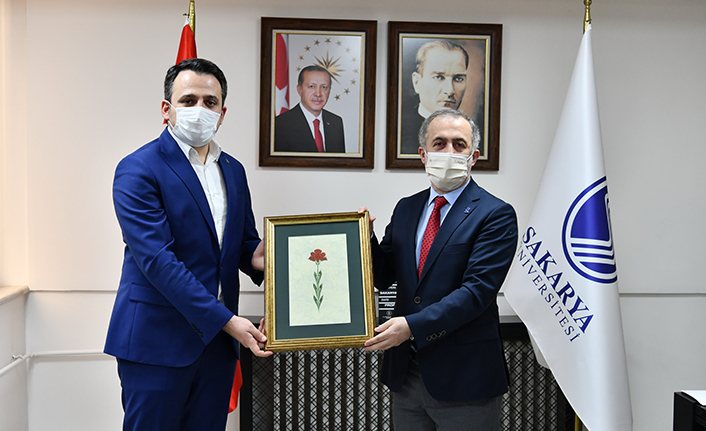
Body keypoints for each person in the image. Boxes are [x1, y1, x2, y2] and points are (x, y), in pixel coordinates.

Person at [104, 58, 272, 431]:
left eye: (210, 102)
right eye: (188, 100)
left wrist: (275, 257)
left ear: (222, 113)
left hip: (217, 347)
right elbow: (158, 262)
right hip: (156, 342)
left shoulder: (233, 170)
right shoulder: (138, 168)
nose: (200, 109)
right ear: (167, 109)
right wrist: (227, 321)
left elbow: (243, 245)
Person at [362, 109, 517, 430]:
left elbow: (476, 293)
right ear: (423, 154)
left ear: (473, 157)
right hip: (407, 373)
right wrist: (365, 240)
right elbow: (384, 275)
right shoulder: (406, 208)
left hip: (465, 377)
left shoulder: (496, 214)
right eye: (439, 143)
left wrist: (411, 326)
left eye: (459, 144)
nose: (449, 152)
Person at [400, 40, 469, 155]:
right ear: (417, 82)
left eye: (458, 79)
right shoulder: (401, 131)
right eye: (439, 77)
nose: (450, 91)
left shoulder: (472, 135)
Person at [274, 65, 346, 153]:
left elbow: (339, 161)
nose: (318, 94)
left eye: (324, 87)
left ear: (329, 90)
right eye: (312, 86)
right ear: (299, 90)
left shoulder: (336, 122)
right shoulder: (280, 125)